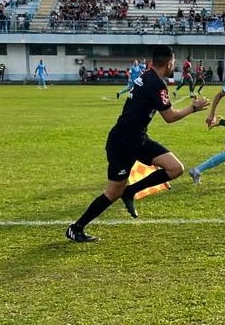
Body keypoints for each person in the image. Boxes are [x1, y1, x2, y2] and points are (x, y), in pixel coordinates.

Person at [65, 45, 210, 243]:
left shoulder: (147, 75)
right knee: (112, 192)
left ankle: (131, 191)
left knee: (175, 168)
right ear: (169, 63)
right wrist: (193, 108)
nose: (173, 65)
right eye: (173, 62)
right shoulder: (156, 84)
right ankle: (76, 228)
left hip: (138, 138)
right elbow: (169, 117)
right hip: (123, 142)